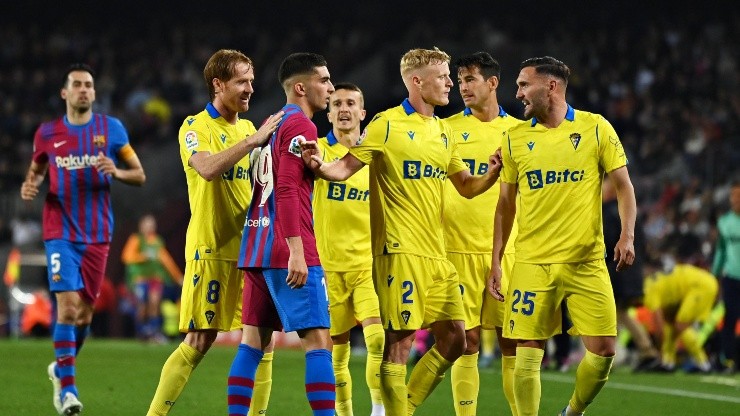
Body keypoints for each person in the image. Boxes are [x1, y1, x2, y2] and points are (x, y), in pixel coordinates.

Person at [301, 47, 503, 416]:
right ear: (416, 81)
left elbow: (465, 186)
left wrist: (491, 173)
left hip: (437, 254)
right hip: (399, 251)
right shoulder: (386, 125)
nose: (448, 83)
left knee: (457, 338)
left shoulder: (443, 130)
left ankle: (403, 407)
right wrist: (318, 165)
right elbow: (343, 169)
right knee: (398, 343)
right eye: (442, 76)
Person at [488, 56, 637, 416]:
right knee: (527, 349)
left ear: (551, 86)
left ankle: (572, 412)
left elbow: (623, 187)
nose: (518, 92)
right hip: (531, 262)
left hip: (585, 261)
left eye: (524, 84)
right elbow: (505, 206)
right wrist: (496, 259)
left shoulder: (595, 128)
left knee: (603, 352)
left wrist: (627, 235)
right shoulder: (515, 139)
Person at [146, 49, 283, 416]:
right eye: (242, 81)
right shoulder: (196, 127)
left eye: (252, 81)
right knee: (200, 338)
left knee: (263, 338)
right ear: (218, 84)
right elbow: (206, 168)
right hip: (212, 250)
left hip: (251, 251)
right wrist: (252, 144)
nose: (250, 88)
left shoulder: (249, 128)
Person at [20, 63, 147, 416]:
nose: (83, 90)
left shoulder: (112, 129)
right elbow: (37, 168)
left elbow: (140, 174)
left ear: (94, 92)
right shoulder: (47, 133)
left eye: (89, 85)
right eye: (76, 85)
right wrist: (31, 183)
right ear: (65, 93)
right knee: (69, 307)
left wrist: (116, 171)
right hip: (59, 230)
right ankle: (68, 392)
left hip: (98, 235)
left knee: (86, 314)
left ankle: (61, 365)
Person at [228, 52, 336, 416]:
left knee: (252, 344)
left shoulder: (273, 123)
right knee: (319, 341)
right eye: (324, 80)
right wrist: (296, 250)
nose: (331, 87)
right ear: (302, 87)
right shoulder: (302, 127)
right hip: (287, 246)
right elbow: (288, 189)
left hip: (257, 246)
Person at [442, 51, 521, 416]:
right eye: (460, 81)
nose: (462, 87)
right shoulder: (447, 130)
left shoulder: (518, 133)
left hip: (508, 253)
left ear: (493, 82)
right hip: (457, 249)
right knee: (467, 340)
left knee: (513, 341)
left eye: (470, 79)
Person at [312, 82, 385, 416]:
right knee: (336, 351)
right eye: (337, 103)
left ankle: (379, 409)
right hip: (328, 268)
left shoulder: (375, 156)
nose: (343, 109)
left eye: (351, 103)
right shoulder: (314, 152)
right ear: (328, 113)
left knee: (377, 340)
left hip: (367, 266)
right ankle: (344, 412)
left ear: (362, 113)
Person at [602, 176, 660, 371]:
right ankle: (612, 354)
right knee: (618, 313)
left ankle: (647, 350)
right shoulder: (626, 207)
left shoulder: (610, 210)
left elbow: (608, 242)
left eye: (603, 184)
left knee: (617, 312)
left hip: (620, 270)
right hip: (630, 269)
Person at [643, 247, 718, 374]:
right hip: (698, 283)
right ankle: (668, 362)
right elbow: (666, 319)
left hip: (701, 286)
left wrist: (658, 347)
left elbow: (659, 326)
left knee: (681, 325)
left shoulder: (648, 290)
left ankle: (704, 364)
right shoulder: (654, 282)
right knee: (671, 322)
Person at [121, 213, 183, 342]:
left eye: (152, 224)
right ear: (141, 226)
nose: (150, 227)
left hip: (155, 278)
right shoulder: (136, 240)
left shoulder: (157, 241)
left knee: (154, 304)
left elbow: (166, 260)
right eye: (147, 224)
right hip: (140, 279)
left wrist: (178, 277)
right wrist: (143, 256)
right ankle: (142, 332)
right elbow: (126, 257)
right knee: (142, 306)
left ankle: (153, 332)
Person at [712, 179, 740, 374]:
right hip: (731, 277)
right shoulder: (724, 222)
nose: (735, 199)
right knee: (730, 318)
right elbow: (720, 251)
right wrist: (715, 275)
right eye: (733, 195)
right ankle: (727, 359)